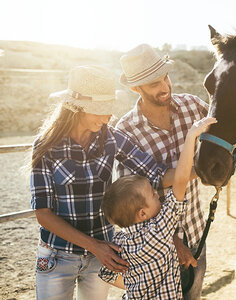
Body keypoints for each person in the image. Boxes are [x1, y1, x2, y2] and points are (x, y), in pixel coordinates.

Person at [30, 65, 175, 300]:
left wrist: (199, 168)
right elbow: (43, 214)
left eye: (109, 109)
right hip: (57, 256)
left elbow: (156, 173)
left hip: (103, 256)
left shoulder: (111, 138)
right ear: (76, 109)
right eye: (100, 110)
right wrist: (94, 246)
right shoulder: (46, 145)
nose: (108, 117)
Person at [116, 43, 209, 299]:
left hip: (197, 229)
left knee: (194, 296)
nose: (165, 86)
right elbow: (129, 202)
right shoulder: (126, 130)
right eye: (154, 83)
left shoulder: (192, 105)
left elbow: (229, 134)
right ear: (136, 88)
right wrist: (173, 242)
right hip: (156, 246)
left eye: (165, 77)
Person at [99, 117, 216, 299]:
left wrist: (138, 285)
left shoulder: (119, 242)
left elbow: (107, 275)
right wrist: (191, 136)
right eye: (153, 195)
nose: (157, 193)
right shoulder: (158, 231)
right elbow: (180, 181)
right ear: (142, 213)